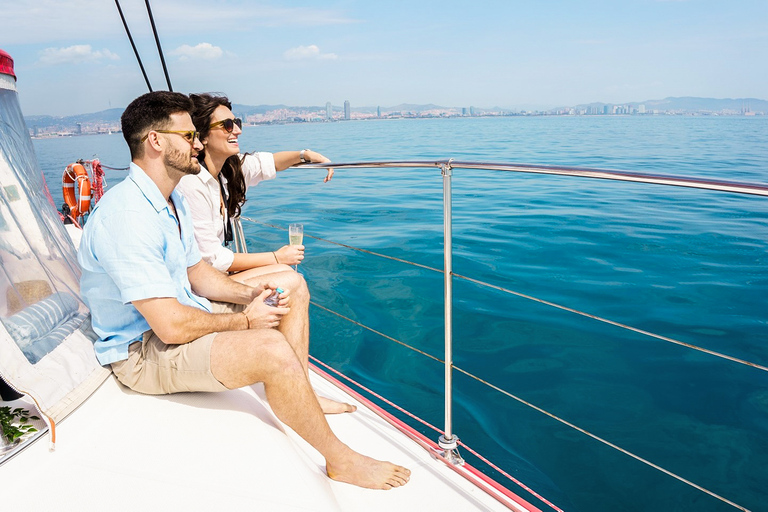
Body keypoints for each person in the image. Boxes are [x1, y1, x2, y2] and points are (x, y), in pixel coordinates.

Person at [77, 91, 410, 490]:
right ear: (156, 141)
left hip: (180, 313)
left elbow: (198, 273)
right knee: (270, 348)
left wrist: (250, 295)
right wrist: (246, 321)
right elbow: (167, 327)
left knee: (287, 281)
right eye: (188, 135)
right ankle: (340, 459)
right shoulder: (128, 216)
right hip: (143, 351)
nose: (197, 143)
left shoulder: (168, 201)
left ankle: (296, 388)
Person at [175, 92, 332, 282]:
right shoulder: (192, 182)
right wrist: (277, 257)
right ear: (203, 136)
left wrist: (305, 154)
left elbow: (271, 163)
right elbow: (212, 259)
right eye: (227, 125)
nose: (238, 131)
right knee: (290, 278)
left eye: (237, 123)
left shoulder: (227, 170)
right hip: (199, 283)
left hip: (216, 276)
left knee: (289, 276)